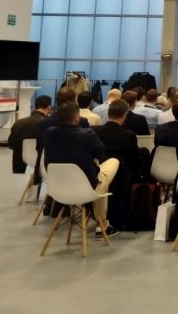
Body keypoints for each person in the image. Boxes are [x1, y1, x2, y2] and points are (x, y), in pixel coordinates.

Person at [43, 101, 120, 237]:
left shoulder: (48, 134)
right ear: (76, 118)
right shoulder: (87, 134)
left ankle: (102, 223)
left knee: (100, 178)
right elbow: (100, 155)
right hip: (86, 188)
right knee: (112, 163)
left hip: (58, 188)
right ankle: (102, 224)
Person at [7, 95, 51, 174]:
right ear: (48, 108)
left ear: (35, 106)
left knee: (17, 150)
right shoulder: (48, 125)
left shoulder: (18, 123)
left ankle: (18, 173)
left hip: (21, 158)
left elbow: (11, 144)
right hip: (41, 159)